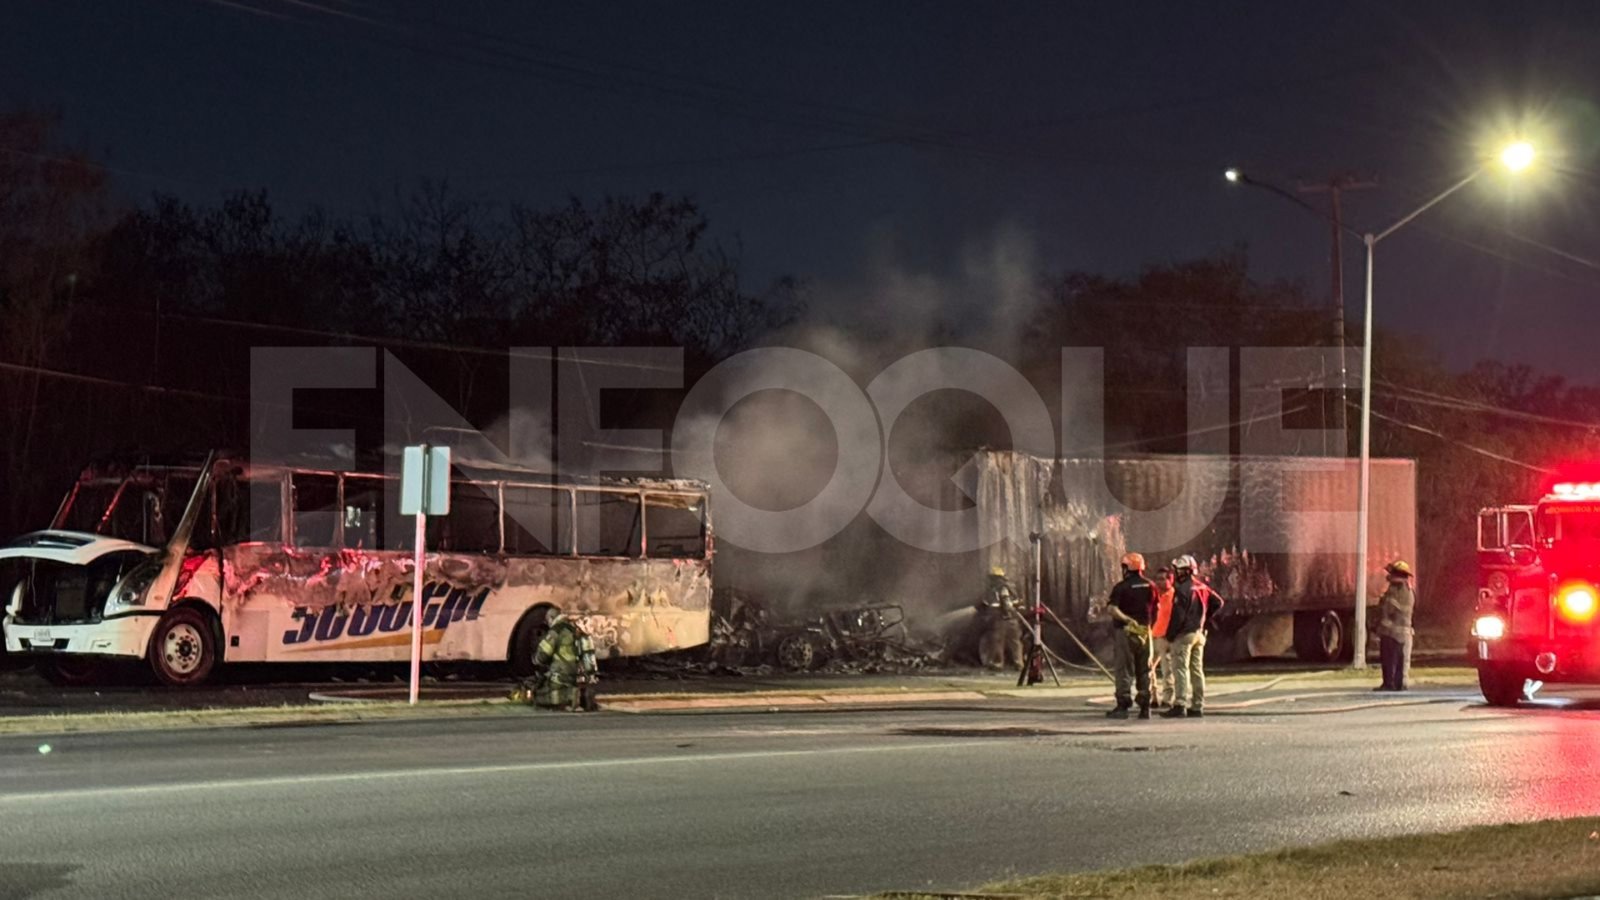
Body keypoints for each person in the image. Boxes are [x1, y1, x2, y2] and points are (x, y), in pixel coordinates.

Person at [1161, 555, 1224, 719]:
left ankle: (1180, 704)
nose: (1176, 573)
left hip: (1184, 635)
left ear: (1184, 571)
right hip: (1199, 633)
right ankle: (1197, 705)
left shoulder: (1182, 589)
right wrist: (1204, 618)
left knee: (1180, 669)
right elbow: (1218, 603)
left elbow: (1178, 616)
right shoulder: (1202, 586)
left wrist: (1170, 635)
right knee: (1197, 670)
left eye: (1177, 570)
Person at [511, 608, 600, 711]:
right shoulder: (578, 629)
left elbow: (542, 656)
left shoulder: (556, 631)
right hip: (580, 679)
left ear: (551, 618)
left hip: (560, 678)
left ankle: (571, 696)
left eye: (548, 621)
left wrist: (536, 659)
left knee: (538, 695)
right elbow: (589, 659)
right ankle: (582, 695)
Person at [1104, 552, 1158, 719]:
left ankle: (1123, 705)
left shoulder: (1121, 587)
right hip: (1145, 631)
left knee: (1124, 669)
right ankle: (1145, 706)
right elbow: (1156, 609)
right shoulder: (1151, 586)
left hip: (1125, 631)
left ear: (1125, 568)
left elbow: (1112, 609)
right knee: (1145, 669)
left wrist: (1127, 619)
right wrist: (1149, 626)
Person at [1375, 560, 1416, 692]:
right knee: (1400, 660)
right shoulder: (1408, 590)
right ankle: (1399, 683)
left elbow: (1388, 608)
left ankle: (1389, 683)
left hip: (1392, 632)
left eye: (1392, 573)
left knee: (1389, 659)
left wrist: (1382, 603)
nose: (1389, 576)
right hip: (1403, 633)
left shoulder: (1396, 590)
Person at [975, 565, 1025, 671]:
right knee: (1015, 642)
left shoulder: (995, 590)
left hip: (1000, 620)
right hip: (1013, 619)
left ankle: (998, 664)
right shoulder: (1012, 588)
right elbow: (1018, 602)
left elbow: (990, 604)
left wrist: (981, 608)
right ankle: (1019, 663)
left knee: (998, 641)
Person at [1148, 566, 1176, 708]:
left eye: (1162, 579)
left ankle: (1167, 699)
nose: (1158, 582)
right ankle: (1153, 696)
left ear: (1171, 580)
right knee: (1148, 667)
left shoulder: (1175, 596)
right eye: (1157, 579)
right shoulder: (1154, 595)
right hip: (1153, 635)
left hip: (1167, 637)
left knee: (1167, 669)